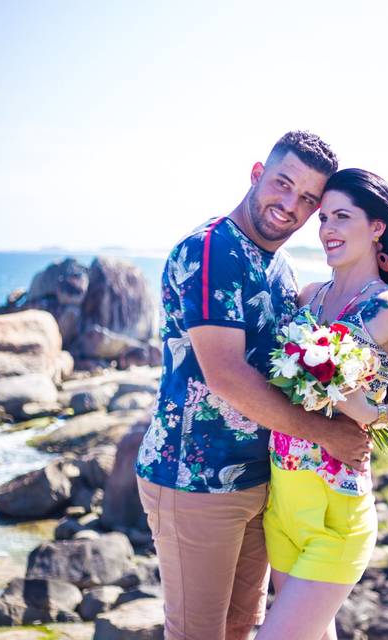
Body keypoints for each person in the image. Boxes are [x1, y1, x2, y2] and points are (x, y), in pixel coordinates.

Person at [134, 131, 373, 640]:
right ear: (256, 173)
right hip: (192, 479)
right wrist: (325, 433)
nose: (290, 205)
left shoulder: (278, 265)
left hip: (258, 481)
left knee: (243, 628)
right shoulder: (210, 249)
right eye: (282, 184)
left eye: (308, 199)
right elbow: (224, 373)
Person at [256, 168, 388, 640]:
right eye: (324, 217)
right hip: (283, 504)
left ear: (376, 228)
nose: (327, 228)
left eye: (342, 217)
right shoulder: (308, 298)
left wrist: (378, 414)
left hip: (338, 512)